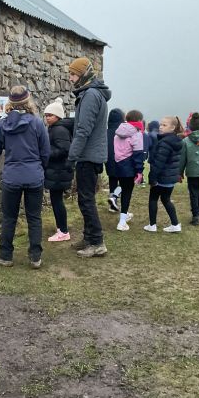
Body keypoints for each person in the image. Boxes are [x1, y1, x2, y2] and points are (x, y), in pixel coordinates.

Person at [0, 86, 50, 268]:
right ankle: (35, 257)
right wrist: (41, 168)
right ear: (28, 101)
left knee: (9, 218)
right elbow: (46, 151)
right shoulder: (37, 123)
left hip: (12, 177)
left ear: (10, 102)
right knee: (34, 217)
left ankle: (5, 256)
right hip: (34, 176)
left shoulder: (2, 124)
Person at [66, 57, 112, 257]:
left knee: (86, 200)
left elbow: (84, 130)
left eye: (73, 74)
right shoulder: (92, 93)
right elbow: (82, 123)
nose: (70, 78)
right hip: (91, 155)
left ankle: (97, 242)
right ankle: (88, 237)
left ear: (84, 74)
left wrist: (72, 156)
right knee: (85, 199)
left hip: (88, 156)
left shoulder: (91, 95)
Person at [144, 116, 184, 233]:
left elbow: (158, 163)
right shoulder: (177, 141)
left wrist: (152, 178)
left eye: (164, 125)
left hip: (161, 177)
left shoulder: (165, 143)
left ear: (172, 128)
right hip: (170, 178)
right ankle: (175, 224)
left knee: (153, 199)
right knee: (166, 200)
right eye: (160, 124)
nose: (161, 127)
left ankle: (152, 225)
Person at [44, 97, 74, 242]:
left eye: (50, 115)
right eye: (46, 115)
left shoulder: (59, 130)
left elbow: (64, 150)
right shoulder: (55, 128)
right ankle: (61, 229)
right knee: (56, 200)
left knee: (57, 201)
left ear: (58, 116)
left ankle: (63, 231)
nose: (47, 118)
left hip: (59, 171)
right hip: (57, 171)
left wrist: (46, 153)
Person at [113, 109, 145, 231]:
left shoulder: (118, 132)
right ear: (139, 120)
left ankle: (124, 214)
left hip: (118, 164)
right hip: (129, 166)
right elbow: (138, 154)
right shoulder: (137, 134)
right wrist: (139, 171)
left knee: (123, 188)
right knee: (127, 193)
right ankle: (122, 222)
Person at [105, 108, 124, 213]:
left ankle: (112, 205)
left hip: (109, 161)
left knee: (112, 182)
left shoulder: (105, 132)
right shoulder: (123, 132)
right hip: (121, 161)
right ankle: (115, 197)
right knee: (125, 183)